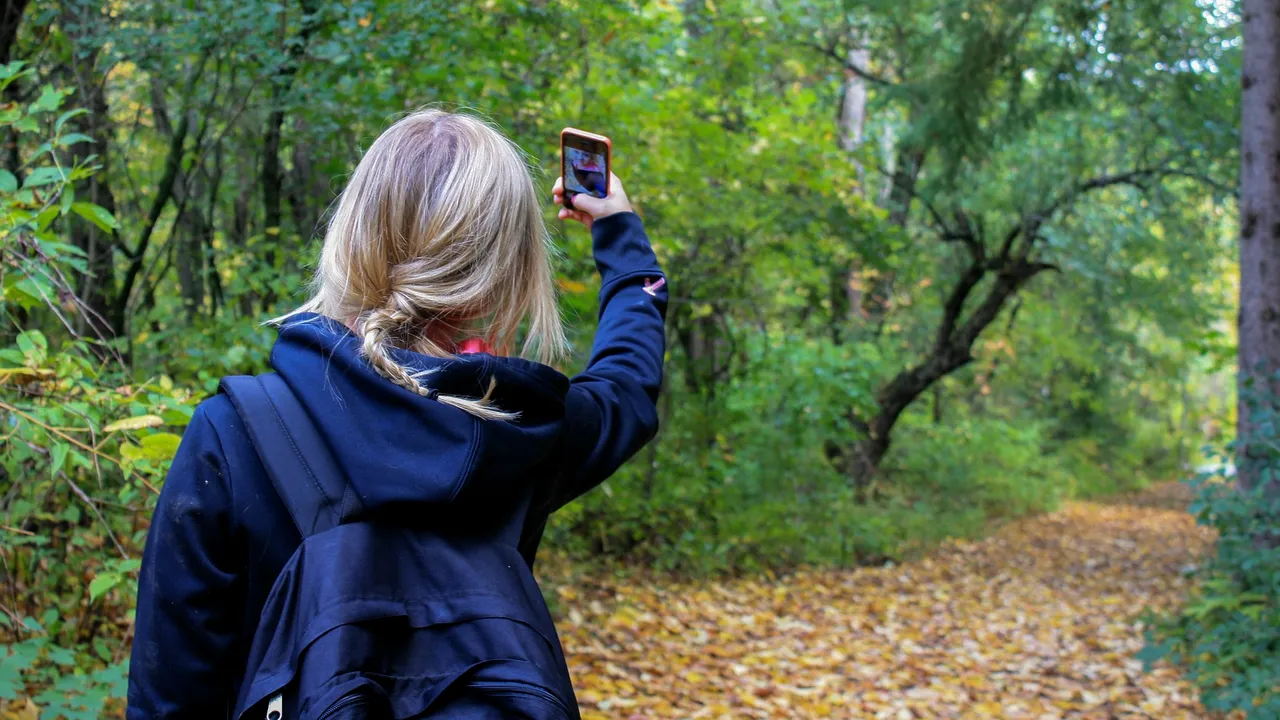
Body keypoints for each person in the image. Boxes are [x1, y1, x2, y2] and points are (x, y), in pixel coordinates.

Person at [126, 109, 667, 718]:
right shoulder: (523, 432)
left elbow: (170, 696)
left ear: (354, 231)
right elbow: (627, 383)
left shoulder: (234, 435)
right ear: (502, 270)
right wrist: (620, 233)